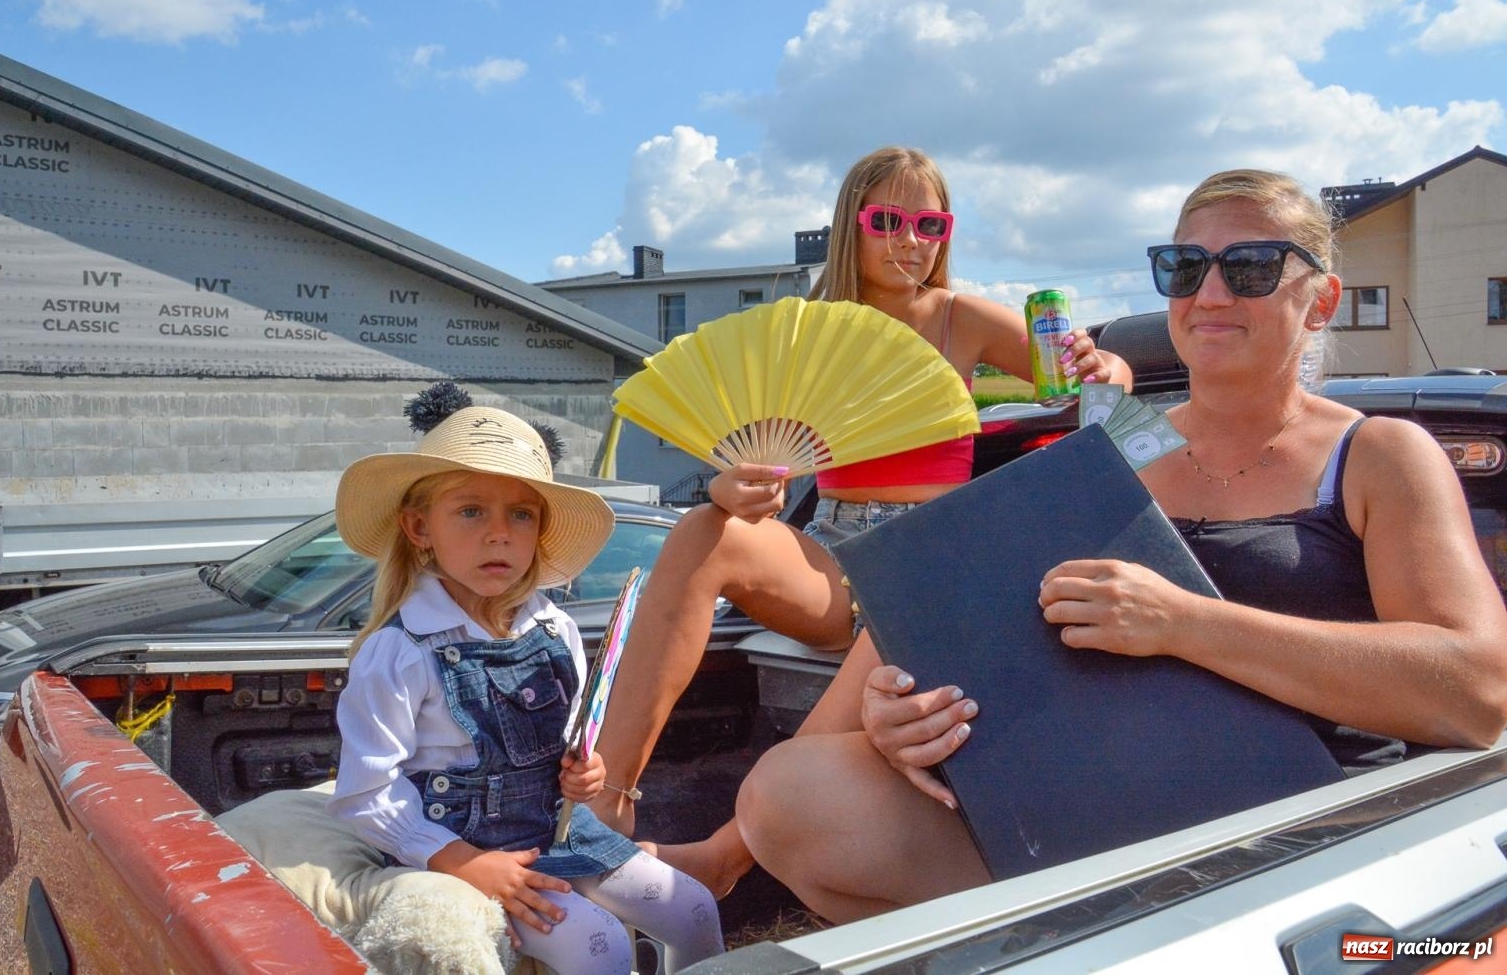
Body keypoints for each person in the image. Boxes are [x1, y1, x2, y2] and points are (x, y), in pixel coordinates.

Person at [734, 168, 1507, 922]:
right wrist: (898, 720)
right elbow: (983, 624)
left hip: (1297, 831)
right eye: (1183, 267)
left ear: (1321, 300)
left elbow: (1477, 692)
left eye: (1251, 267)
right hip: (1097, 816)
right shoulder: (1123, 446)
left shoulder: (1380, 454)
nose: (1209, 293)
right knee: (790, 791)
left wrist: (1187, 624)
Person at [589, 145, 1133, 897]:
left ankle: (722, 857)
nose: (910, 240)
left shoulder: (961, 317)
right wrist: (731, 488)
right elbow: (756, 445)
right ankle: (603, 804)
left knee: (923, 584)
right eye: (888, 220)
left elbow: (1098, 384)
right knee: (701, 530)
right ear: (853, 224)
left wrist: (1107, 370)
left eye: (929, 222)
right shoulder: (808, 327)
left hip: (933, 557)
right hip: (833, 553)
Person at [327, 391, 723, 974]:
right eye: (470, 511)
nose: (499, 534)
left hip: (559, 826)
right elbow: (365, 791)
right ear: (419, 527)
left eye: (521, 513)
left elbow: (564, 741)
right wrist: (460, 860)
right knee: (603, 947)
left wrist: (583, 772)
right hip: (464, 844)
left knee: (692, 907)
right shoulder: (401, 649)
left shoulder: (554, 626)